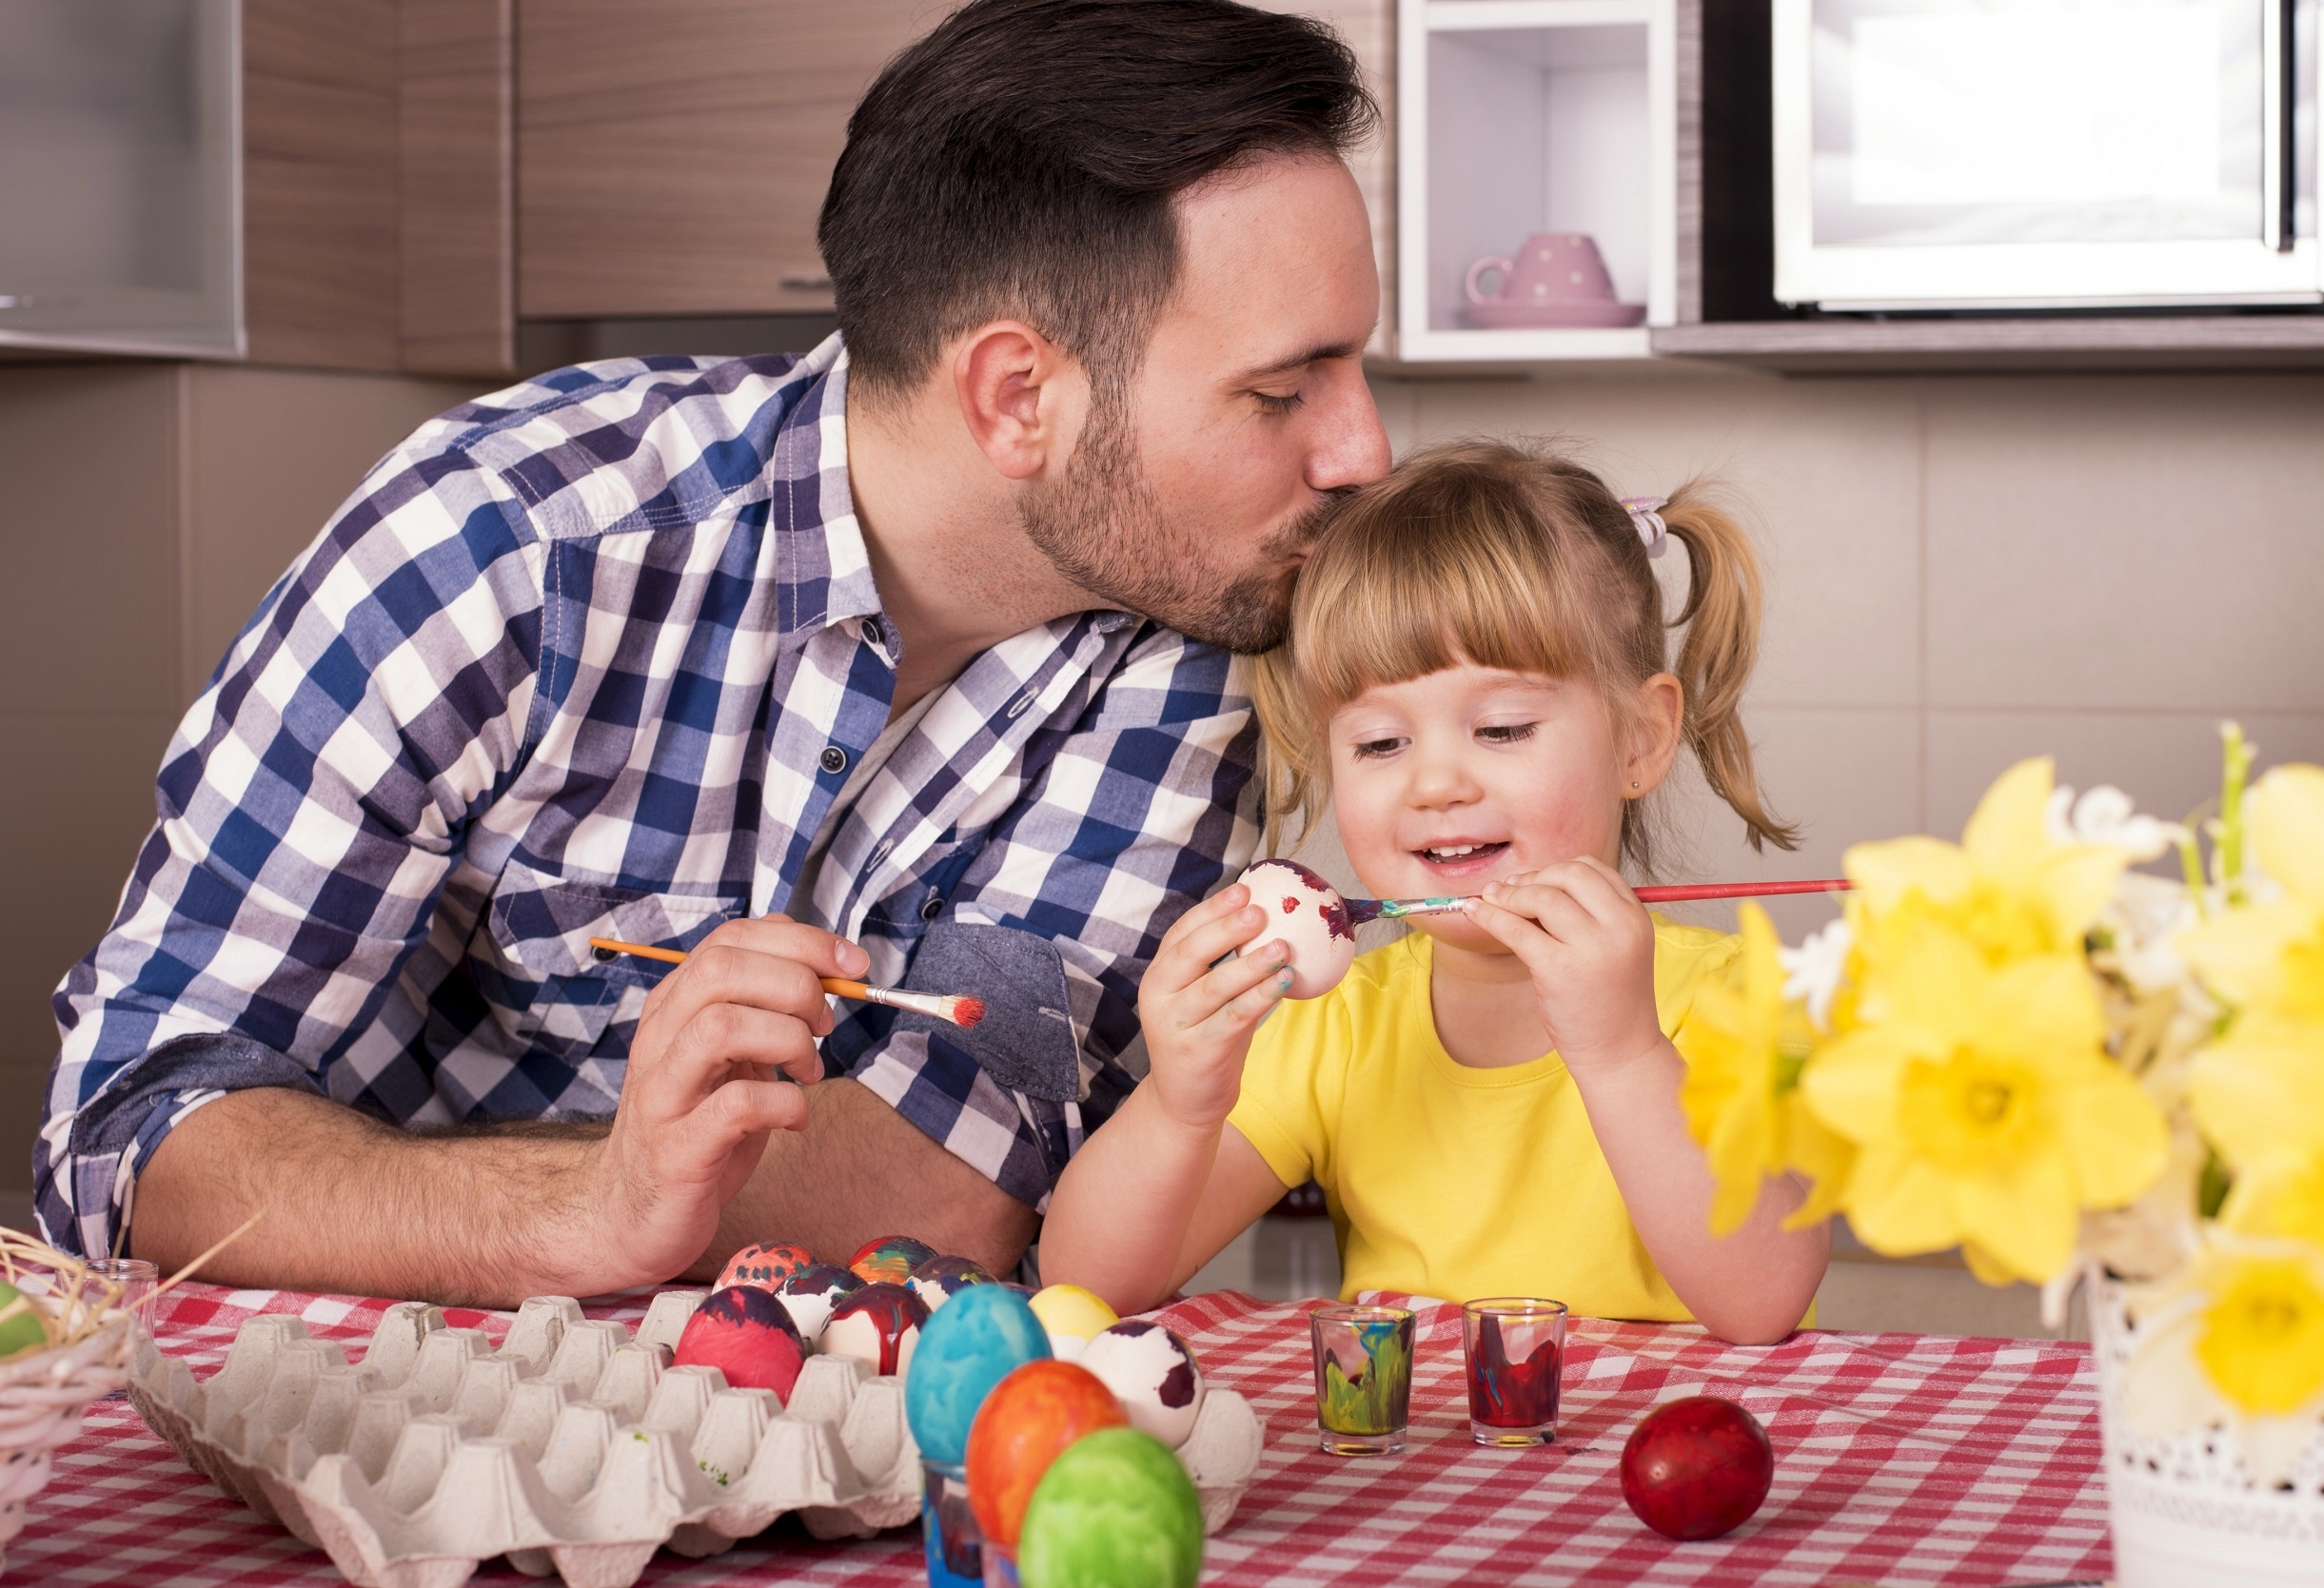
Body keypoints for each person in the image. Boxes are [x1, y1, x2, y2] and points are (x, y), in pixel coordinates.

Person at [38, 0, 1391, 1305]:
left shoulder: (1194, 632)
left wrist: (628, 1202)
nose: (1363, 452)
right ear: (1017, 395)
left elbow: (946, 1189)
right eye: (1283, 390)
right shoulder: (513, 542)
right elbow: (133, 1131)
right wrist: (583, 1208)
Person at [1040, 441, 1832, 1344]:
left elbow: (1763, 1298)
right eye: (1380, 744)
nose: (1434, 784)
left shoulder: (1742, 1000)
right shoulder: (1335, 1026)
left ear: (1639, 740)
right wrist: (1179, 1102)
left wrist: (1621, 1052)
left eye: (1500, 727)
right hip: (1417, 1479)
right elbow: (1086, 1285)